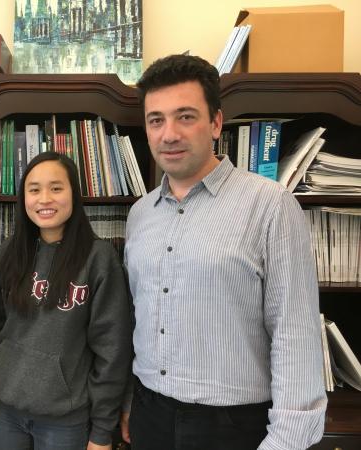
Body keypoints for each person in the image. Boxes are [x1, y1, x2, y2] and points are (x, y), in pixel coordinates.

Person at [121, 54, 327, 450]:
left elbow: (294, 332)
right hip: (150, 415)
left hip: (233, 427)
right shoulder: (139, 215)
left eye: (185, 116)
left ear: (216, 123)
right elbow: (136, 317)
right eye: (156, 120)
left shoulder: (270, 205)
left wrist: (286, 441)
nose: (169, 134)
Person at [0, 152, 132, 450]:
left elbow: (112, 348)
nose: (44, 199)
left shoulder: (98, 258)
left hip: (64, 419)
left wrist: (103, 429)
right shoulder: (9, 254)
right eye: (34, 189)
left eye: (56, 188)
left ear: (73, 194)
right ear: (23, 197)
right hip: (7, 411)